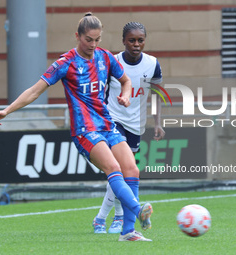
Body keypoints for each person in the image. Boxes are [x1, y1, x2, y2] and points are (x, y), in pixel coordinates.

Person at [0, 13, 153, 242]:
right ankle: (138, 211)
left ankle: (128, 233)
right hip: (85, 130)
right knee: (113, 167)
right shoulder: (65, 63)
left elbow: (126, 81)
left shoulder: (106, 58)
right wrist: (7, 110)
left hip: (107, 124)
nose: (93, 45)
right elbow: (34, 91)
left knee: (132, 169)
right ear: (77, 36)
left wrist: (126, 96)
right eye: (89, 39)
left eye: (97, 40)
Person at [92, 22, 165, 234]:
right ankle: (117, 218)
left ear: (145, 41)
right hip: (112, 120)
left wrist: (157, 122)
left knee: (122, 173)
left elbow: (158, 94)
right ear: (123, 41)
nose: (136, 44)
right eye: (131, 40)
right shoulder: (112, 62)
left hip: (136, 123)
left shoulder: (152, 64)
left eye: (140, 40)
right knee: (121, 170)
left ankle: (102, 218)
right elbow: (98, 91)